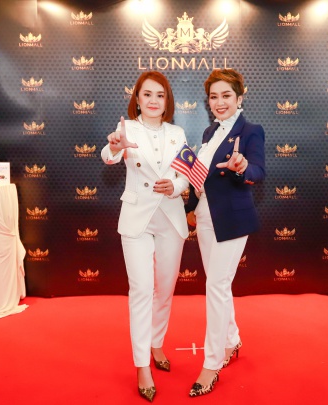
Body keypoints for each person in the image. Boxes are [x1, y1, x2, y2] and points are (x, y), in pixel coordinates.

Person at [101, 71, 189, 402]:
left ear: (167, 101)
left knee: (164, 290)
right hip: (137, 219)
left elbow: (186, 175)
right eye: (147, 94)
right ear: (137, 98)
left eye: (160, 95)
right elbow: (109, 155)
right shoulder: (127, 129)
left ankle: (156, 344)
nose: (153, 100)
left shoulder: (177, 133)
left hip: (170, 218)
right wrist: (114, 147)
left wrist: (175, 186)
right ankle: (142, 365)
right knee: (141, 291)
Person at [184, 69, 266, 397]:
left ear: (239, 98)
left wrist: (242, 167)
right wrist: (190, 206)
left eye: (226, 96)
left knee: (216, 286)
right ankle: (232, 341)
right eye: (214, 97)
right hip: (205, 217)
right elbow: (200, 176)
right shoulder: (209, 132)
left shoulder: (251, 131)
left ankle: (212, 363)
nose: (219, 102)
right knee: (220, 285)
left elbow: (258, 171)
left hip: (232, 219)